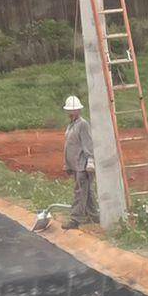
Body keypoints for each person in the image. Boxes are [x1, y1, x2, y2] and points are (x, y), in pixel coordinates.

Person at [62, 94, 95, 229]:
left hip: (82, 165)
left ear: (78, 110)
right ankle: (94, 215)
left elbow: (88, 144)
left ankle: (75, 219)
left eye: (73, 111)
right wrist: (67, 164)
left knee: (80, 192)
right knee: (87, 192)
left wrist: (90, 161)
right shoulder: (71, 125)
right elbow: (69, 146)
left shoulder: (83, 124)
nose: (71, 113)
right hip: (75, 164)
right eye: (69, 111)